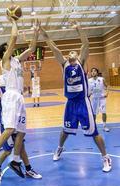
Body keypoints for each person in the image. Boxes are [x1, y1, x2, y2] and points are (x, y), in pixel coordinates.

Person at [40, 21, 111, 172]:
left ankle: (105, 157)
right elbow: (54, 47)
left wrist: (79, 28)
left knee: (94, 132)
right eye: (70, 52)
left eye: (74, 52)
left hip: (83, 102)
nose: (71, 53)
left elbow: (86, 44)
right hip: (70, 103)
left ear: (78, 55)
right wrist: (43, 32)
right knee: (65, 130)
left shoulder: (82, 62)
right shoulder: (64, 64)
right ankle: (59, 148)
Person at [0, 18, 40, 178]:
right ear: (4, 52)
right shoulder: (5, 61)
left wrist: (36, 32)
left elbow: (32, 48)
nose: (11, 48)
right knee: (10, 129)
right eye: (7, 48)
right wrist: (14, 21)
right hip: (10, 96)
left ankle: (16, 161)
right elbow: (14, 38)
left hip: (19, 97)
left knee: (22, 131)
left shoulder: (17, 61)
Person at [0, 50, 42, 181]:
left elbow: (15, 81)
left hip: (11, 118)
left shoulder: (6, 87)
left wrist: (24, 89)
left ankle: (28, 169)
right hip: (3, 122)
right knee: (8, 150)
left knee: (21, 146)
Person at [88, 68, 110, 132]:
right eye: (92, 71)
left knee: (103, 112)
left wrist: (107, 93)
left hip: (102, 98)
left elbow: (107, 86)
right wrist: (88, 94)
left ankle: (104, 126)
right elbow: (89, 90)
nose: (93, 72)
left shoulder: (101, 79)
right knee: (94, 114)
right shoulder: (89, 81)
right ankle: (93, 126)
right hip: (94, 99)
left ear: (97, 72)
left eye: (94, 71)